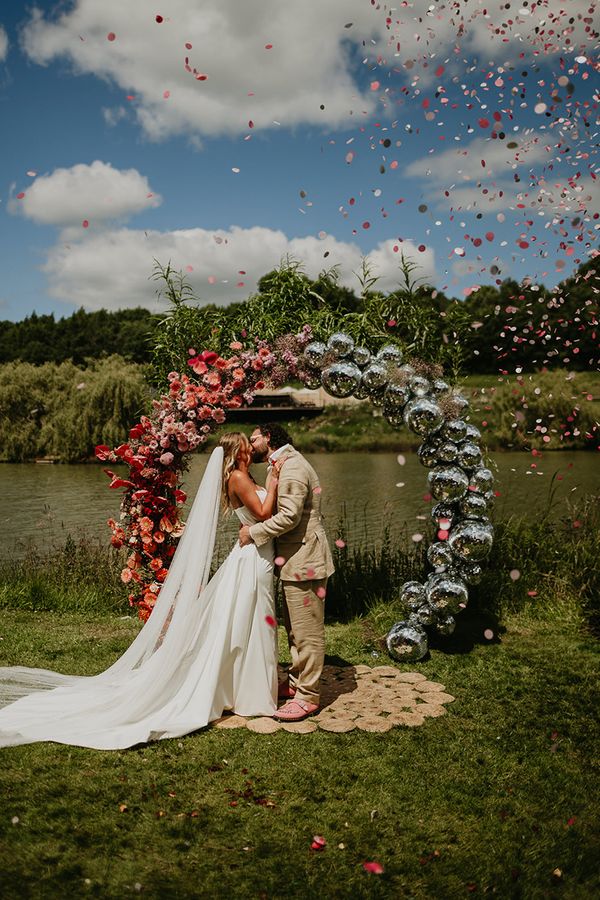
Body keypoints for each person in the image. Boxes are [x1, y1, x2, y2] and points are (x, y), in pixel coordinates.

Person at [0, 433, 282, 750]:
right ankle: (250, 691)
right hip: (253, 557)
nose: (252, 446)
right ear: (238, 451)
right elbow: (262, 514)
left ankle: (245, 687)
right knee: (254, 618)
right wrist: (273, 484)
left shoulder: (241, 475)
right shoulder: (240, 477)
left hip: (254, 553)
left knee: (248, 620)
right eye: (248, 443)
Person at [239, 424, 334, 723]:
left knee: (308, 633)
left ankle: (307, 696)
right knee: (295, 629)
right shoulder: (281, 465)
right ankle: (295, 684)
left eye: (253, 439)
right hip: (295, 559)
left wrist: (253, 533)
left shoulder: (292, 466)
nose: (250, 444)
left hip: (306, 559)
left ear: (268, 438)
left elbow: (291, 517)